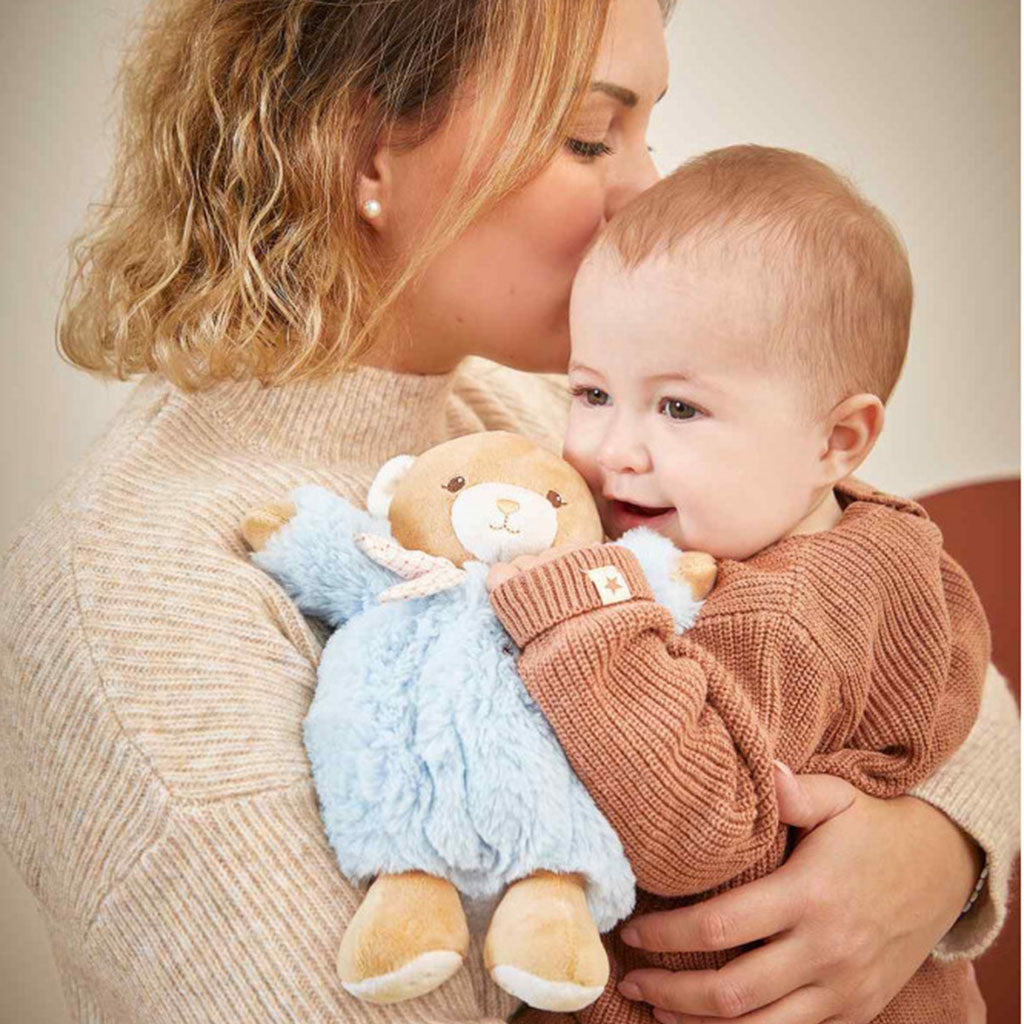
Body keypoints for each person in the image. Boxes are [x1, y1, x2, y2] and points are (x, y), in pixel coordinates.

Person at [0, 1, 1015, 1022]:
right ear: (363, 150)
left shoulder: (542, 410)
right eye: (590, 136)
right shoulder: (131, 596)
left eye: (648, 129)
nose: (648, 188)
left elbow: (921, 647)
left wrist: (930, 854)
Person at [484, 145, 991, 1023]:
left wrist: (573, 619)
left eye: (679, 408)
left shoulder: (787, 611)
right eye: (592, 394)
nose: (612, 451)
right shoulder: (867, 536)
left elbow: (697, 827)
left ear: (837, 441)